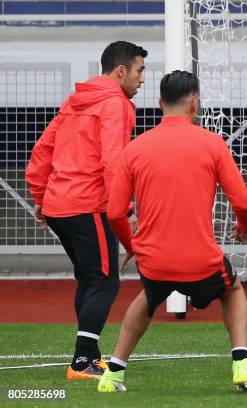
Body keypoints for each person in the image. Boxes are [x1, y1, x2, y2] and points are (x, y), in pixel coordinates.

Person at [96, 70, 247, 394]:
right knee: (233, 288)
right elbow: (243, 201)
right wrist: (244, 229)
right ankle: (241, 364)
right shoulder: (212, 144)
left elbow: (114, 212)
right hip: (202, 261)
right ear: (195, 105)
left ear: (160, 104)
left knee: (149, 295)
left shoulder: (135, 148)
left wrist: (131, 245)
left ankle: (113, 373)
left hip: (154, 262)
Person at [25, 41, 147, 380]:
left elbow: (42, 148)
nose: (142, 80)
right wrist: (126, 206)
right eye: (139, 72)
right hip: (88, 204)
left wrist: (39, 193)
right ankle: (81, 362)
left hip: (59, 206)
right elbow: (113, 161)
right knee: (105, 282)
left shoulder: (75, 100)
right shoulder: (117, 105)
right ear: (120, 71)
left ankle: (89, 356)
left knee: (89, 279)